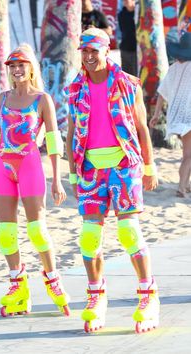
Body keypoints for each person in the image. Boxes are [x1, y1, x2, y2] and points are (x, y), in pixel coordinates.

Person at [65, 28, 160, 333]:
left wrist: (149, 167)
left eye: (95, 51)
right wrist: (71, 171)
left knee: (129, 230)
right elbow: (70, 133)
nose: (89, 57)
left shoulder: (127, 84)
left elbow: (142, 128)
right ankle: (97, 297)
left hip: (123, 165)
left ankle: (148, 295)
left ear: (107, 51)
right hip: (91, 169)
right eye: (85, 51)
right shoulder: (75, 89)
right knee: (89, 237)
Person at [0, 43, 70, 317]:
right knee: (5, 233)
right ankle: (17, 285)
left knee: (37, 230)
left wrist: (57, 179)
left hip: (30, 164)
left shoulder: (42, 99)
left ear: (31, 68)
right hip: (2, 167)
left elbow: (54, 142)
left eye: (22, 65)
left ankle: (53, 279)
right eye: (13, 66)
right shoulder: (3, 98)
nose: (17, 70)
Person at [149, 32, 191, 198]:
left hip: (175, 116)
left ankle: (186, 184)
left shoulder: (173, 68)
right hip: (188, 115)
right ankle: (181, 187)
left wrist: (157, 114)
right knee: (189, 155)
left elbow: (162, 93)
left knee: (186, 153)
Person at [118, 0, 137, 76]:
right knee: (126, 75)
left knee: (136, 74)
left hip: (136, 49)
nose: (125, 2)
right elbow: (124, 30)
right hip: (125, 48)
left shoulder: (138, 13)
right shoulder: (121, 14)